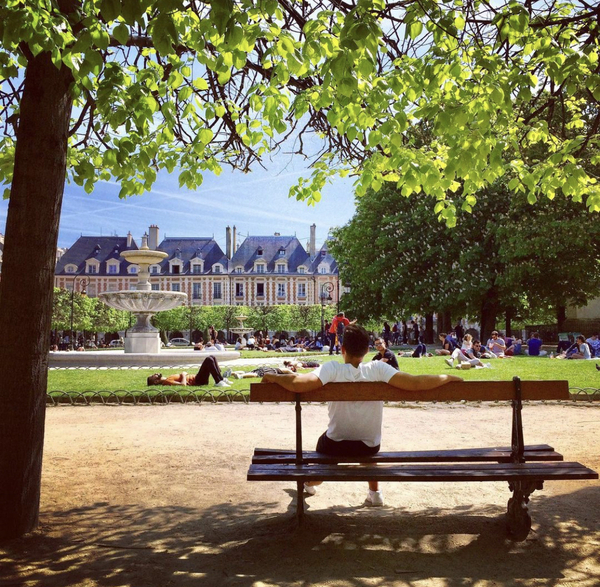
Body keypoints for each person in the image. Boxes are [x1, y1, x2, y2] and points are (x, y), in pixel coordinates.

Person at [261, 324, 462, 506]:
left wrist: (274, 376)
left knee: (326, 442)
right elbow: (416, 383)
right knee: (367, 440)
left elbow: (299, 384)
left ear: (342, 349)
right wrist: (448, 377)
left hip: (335, 445)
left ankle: (311, 482)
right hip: (369, 446)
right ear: (367, 350)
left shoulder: (332, 369)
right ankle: (375, 494)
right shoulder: (378, 369)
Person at [147, 355, 231, 387]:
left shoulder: (168, 378)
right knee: (209, 359)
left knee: (212, 357)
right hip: (197, 381)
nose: (155, 373)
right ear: (155, 381)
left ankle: (221, 379)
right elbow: (183, 385)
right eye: (153, 376)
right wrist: (183, 374)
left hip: (197, 378)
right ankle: (218, 381)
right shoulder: (167, 381)